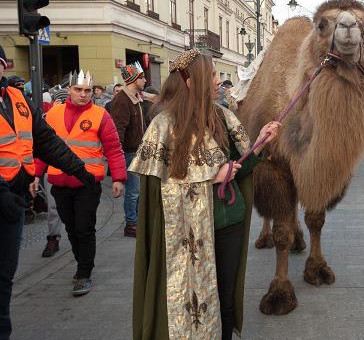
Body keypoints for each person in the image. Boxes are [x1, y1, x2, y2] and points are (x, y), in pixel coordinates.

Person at [130, 49, 280, 339]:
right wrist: (211, 177)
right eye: (211, 75)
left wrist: (259, 144)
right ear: (191, 81)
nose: (217, 81)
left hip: (228, 224)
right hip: (188, 234)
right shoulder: (163, 126)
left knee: (223, 300)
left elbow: (241, 164)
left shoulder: (223, 117)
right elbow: (159, 189)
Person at [0, 46, 95, 338]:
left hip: (13, 202)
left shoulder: (17, 98)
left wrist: (80, 171)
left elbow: (46, 142)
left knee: (4, 279)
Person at [34, 70, 126, 296]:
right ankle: (80, 263)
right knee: (71, 228)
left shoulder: (100, 115)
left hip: (88, 184)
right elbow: (40, 148)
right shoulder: (53, 113)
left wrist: (118, 178)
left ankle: (84, 273)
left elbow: (113, 148)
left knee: (84, 228)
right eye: (78, 90)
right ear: (69, 90)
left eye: (87, 91)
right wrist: (35, 175)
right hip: (59, 182)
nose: (83, 95)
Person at [110, 63, 146, 237]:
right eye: (142, 77)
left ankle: (136, 220)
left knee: (136, 191)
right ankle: (131, 224)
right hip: (128, 153)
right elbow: (118, 130)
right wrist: (118, 156)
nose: (145, 80)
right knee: (133, 192)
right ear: (134, 79)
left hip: (136, 152)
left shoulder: (135, 96)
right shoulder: (122, 100)